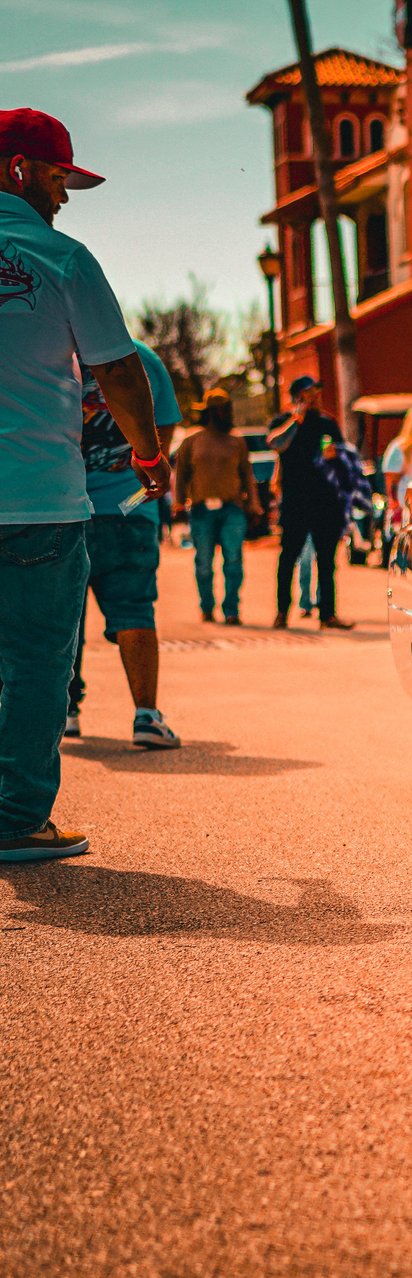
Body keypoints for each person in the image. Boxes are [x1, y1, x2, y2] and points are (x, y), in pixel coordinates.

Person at [0, 108, 168, 862]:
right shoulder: (65, 259)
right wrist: (149, 456)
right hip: (39, 500)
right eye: (59, 178)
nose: (64, 196)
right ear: (19, 170)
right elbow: (120, 369)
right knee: (38, 662)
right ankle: (15, 820)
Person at [69, 341, 183, 748]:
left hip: (63, 509)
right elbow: (163, 427)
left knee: (64, 615)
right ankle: (147, 716)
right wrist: (150, 470)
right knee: (134, 608)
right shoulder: (141, 358)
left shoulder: (51, 354)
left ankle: (65, 711)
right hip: (128, 506)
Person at [267, 374, 353, 629]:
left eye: (316, 394)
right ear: (297, 396)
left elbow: (344, 460)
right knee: (288, 558)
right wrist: (297, 418)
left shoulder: (327, 424)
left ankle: (327, 614)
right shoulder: (283, 423)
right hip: (295, 502)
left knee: (326, 561)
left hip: (325, 502)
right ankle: (282, 612)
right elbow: (275, 443)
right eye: (309, 394)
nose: (315, 398)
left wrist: (335, 457)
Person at [173, 388, 258, 625]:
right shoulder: (192, 441)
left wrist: (253, 504)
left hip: (232, 508)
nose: (224, 414)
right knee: (203, 562)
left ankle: (231, 609)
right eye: (220, 410)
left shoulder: (236, 441)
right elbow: (181, 475)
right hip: (201, 510)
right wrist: (178, 503)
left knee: (233, 560)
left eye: (226, 409)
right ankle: (207, 607)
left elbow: (247, 475)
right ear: (209, 412)